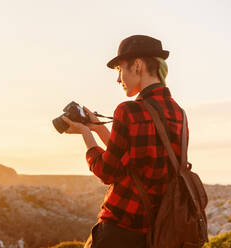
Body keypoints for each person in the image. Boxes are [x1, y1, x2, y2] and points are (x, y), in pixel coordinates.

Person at [61, 35, 188, 248]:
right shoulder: (179, 113)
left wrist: (86, 134)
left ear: (137, 65)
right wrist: (100, 128)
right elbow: (135, 159)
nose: (118, 79)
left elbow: (108, 171)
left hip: (120, 229)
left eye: (120, 69)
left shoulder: (128, 110)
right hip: (158, 231)